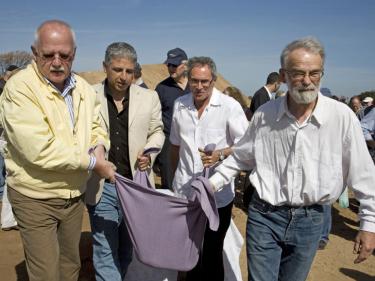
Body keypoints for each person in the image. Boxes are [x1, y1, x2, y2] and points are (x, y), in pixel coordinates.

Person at [209, 37, 375, 281]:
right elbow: (241, 157)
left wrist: (369, 224)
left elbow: (363, 173)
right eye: (298, 73)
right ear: (284, 75)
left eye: (314, 73)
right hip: (264, 217)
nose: (307, 81)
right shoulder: (265, 115)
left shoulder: (341, 117)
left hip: (311, 221)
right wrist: (211, 184)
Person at [0, 20, 115, 281]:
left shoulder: (83, 89)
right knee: (46, 273)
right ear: (34, 52)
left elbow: (97, 125)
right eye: (48, 54)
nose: (56, 61)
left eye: (64, 55)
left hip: (73, 195)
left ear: (73, 54)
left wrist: (99, 146)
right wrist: (92, 163)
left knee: (70, 265)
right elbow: (39, 150)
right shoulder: (20, 89)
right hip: (35, 195)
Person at [85, 42, 164, 281]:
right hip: (102, 186)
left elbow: (158, 131)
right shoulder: (88, 96)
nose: (123, 77)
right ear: (105, 67)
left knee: (128, 250)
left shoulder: (149, 98)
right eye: (118, 70)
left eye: (129, 71)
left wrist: (149, 153)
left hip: (136, 187)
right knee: (105, 251)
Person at [170, 56, 248, 281]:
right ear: (188, 80)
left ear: (213, 80)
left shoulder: (229, 107)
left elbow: (246, 146)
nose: (199, 86)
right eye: (194, 81)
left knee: (212, 252)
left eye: (205, 81)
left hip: (218, 195)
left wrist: (221, 154)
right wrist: (173, 179)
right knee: (190, 248)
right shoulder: (180, 105)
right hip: (186, 192)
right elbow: (175, 147)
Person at [155, 47, 190, 189]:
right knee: (169, 185)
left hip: (191, 143)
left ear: (185, 65)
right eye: (169, 65)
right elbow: (155, 119)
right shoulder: (161, 88)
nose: (171, 68)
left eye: (174, 65)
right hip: (168, 145)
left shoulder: (196, 86)